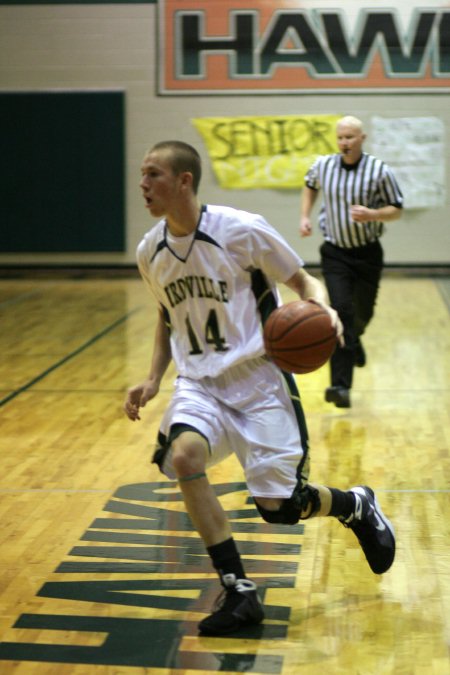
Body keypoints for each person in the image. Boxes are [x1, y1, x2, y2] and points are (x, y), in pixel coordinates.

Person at [124, 140, 396, 636]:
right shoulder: (150, 252)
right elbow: (168, 314)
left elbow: (302, 280)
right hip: (199, 384)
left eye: (153, 174)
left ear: (184, 180)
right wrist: (152, 377)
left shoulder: (240, 230)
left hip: (258, 380)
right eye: (142, 175)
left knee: (281, 508)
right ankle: (239, 591)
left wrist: (324, 309)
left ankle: (354, 504)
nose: (143, 185)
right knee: (185, 457)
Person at [300, 116, 403, 408]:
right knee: (342, 311)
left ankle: (354, 340)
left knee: (363, 312)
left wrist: (373, 215)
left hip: (368, 253)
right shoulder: (323, 166)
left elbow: (396, 209)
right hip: (335, 252)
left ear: (362, 138)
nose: (345, 143)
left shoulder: (379, 170)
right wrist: (305, 216)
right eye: (341, 137)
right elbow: (310, 185)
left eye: (350, 137)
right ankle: (340, 386)